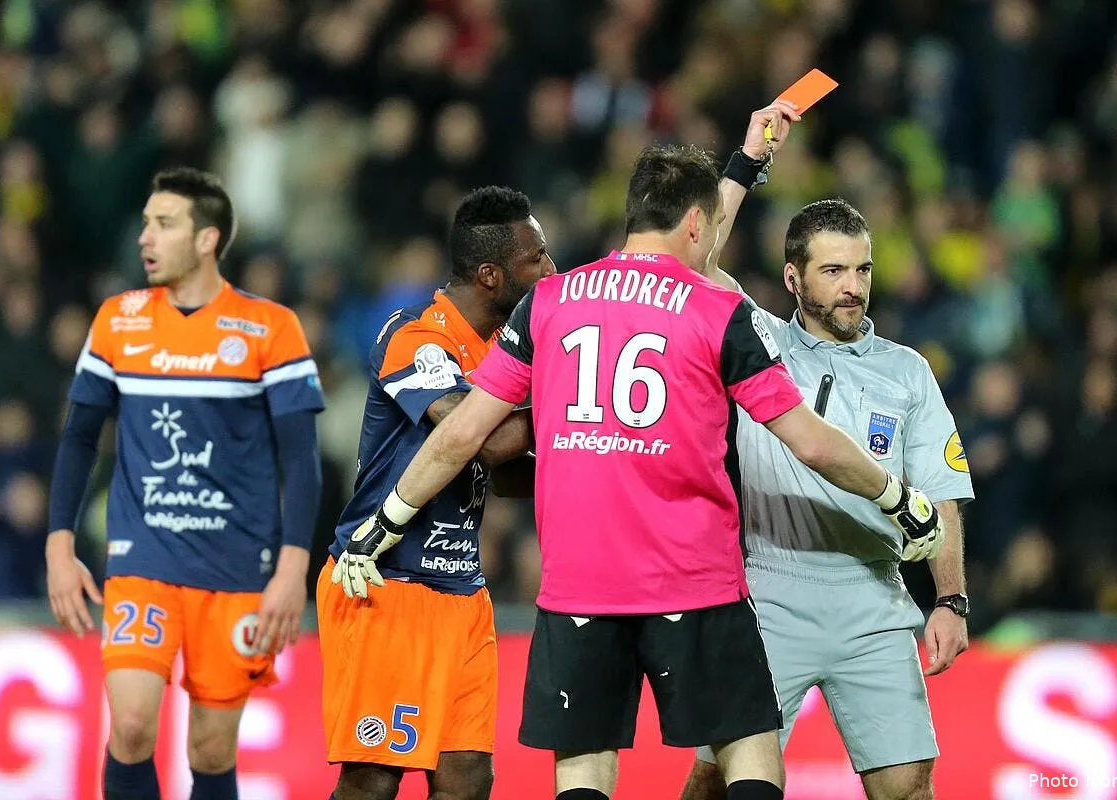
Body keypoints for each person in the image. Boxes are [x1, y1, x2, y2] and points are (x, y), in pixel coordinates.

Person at [333, 103, 945, 800]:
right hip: (693, 577)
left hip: (580, 582)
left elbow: (462, 434)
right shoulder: (718, 312)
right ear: (696, 224)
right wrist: (897, 497)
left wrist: (386, 522)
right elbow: (809, 440)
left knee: (585, 765)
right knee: (747, 749)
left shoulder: (551, 302)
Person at [45, 167, 325, 800]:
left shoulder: (269, 327)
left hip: (236, 565)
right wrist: (59, 544)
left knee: (211, 748)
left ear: (207, 239)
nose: (145, 237)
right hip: (142, 556)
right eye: (146, 223)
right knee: (132, 728)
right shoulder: (118, 320)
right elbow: (79, 437)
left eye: (163, 224)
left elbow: (301, 458)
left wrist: (291, 569)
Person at [681, 197, 975, 800]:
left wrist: (951, 599)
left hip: (873, 595)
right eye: (833, 271)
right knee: (716, 781)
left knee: (909, 785)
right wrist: (748, 163)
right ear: (793, 278)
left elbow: (941, 493)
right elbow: (695, 261)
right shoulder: (756, 342)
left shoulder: (907, 371)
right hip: (769, 593)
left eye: (862, 270)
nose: (853, 288)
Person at [319, 186, 554, 800]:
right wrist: (569, 406)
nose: (550, 271)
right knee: (373, 779)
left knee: (467, 779)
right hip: (384, 579)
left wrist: (590, 458)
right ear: (490, 274)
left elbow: (506, 473)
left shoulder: (502, 353)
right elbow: (478, 438)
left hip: (461, 589)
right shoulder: (417, 336)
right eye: (536, 259)